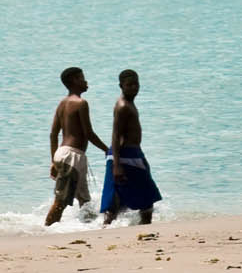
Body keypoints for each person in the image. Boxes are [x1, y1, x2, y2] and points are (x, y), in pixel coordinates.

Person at [46, 66, 107, 226]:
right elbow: (89, 133)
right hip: (72, 157)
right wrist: (107, 149)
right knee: (61, 202)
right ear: (73, 81)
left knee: (85, 200)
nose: (85, 81)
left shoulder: (62, 103)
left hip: (64, 154)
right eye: (81, 78)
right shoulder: (81, 103)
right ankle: (45, 232)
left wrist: (53, 160)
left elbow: (53, 135)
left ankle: (91, 230)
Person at [101, 69, 161, 225]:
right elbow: (115, 135)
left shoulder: (130, 104)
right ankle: (104, 231)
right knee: (117, 203)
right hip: (123, 156)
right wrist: (116, 165)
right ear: (121, 86)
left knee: (145, 199)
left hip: (133, 154)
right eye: (129, 85)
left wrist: (141, 156)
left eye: (136, 84)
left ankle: (143, 228)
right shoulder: (122, 106)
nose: (134, 88)